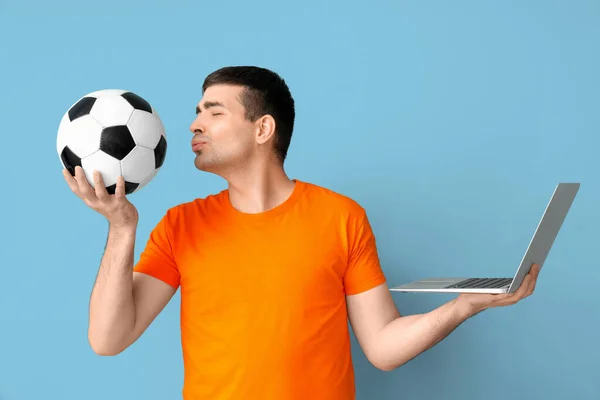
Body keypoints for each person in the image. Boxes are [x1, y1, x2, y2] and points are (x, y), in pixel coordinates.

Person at [62, 66, 541, 400]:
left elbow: (383, 346)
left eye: (213, 111)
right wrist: (121, 229)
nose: (194, 124)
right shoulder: (181, 225)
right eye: (197, 111)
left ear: (262, 128)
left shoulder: (340, 217)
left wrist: (463, 305)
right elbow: (108, 339)